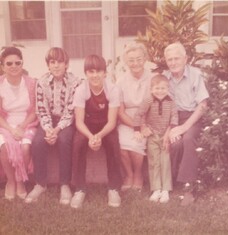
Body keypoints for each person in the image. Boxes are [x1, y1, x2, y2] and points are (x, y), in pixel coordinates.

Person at [25, 47, 79, 205]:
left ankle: (64, 184)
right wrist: (48, 129)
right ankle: (40, 183)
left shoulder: (75, 82)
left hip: (66, 121)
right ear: (48, 65)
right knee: (38, 142)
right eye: (52, 62)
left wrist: (57, 130)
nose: (56, 65)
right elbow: (41, 109)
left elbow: (71, 110)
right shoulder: (41, 82)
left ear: (66, 64)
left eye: (60, 62)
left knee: (64, 140)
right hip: (48, 120)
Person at [70, 54, 122, 209]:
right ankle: (79, 188)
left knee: (113, 143)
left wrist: (98, 136)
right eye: (91, 71)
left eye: (99, 71)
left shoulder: (112, 89)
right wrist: (90, 136)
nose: (95, 75)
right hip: (86, 126)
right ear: (86, 73)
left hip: (106, 126)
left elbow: (112, 122)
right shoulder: (81, 90)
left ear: (105, 73)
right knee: (78, 143)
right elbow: (79, 121)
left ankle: (114, 187)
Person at [163, 42, 209, 206]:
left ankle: (189, 188)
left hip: (192, 117)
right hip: (174, 118)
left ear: (185, 59)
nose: (173, 62)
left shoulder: (195, 75)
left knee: (188, 139)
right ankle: (172, 179)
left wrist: (183, 127)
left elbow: (203, 106)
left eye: (176, 58)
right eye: (170, 60)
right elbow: (164, 107)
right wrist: (169, 130)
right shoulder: (165, 77)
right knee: (174, 144)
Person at [133, 74, 178, 203]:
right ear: (151, 89)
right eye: (157, 88)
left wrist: (170, 133)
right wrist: (138, 129)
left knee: (165, 162)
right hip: (152, 135)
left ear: (168, 89)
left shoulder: (171, 101)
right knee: (154, 162)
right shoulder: (148, 100)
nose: (160, 91)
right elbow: (139, 113)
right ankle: (156, 189)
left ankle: (165, 190)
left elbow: (174, 117)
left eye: (163, 88)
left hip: (165, 136)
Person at [0, 47, 38, 200]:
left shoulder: (31, 83)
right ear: (2, 66)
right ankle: (10, 181)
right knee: (3, 146)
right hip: (5, 124)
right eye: (9, 64)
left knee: (25, 146)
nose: (14, 66)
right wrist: (10, 129)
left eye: (17, 62)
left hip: (27, 123)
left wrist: (21, 127)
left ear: (22, 64)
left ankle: (20, 180)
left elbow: (35, 111)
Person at [117, 42, 153, 191]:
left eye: (139, 59)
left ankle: (138, 174)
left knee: (136, 143)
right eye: (131, 60)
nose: (135, 63)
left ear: (145, 58)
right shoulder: (121, 81)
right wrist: (135, 126)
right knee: (121, 143)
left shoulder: (153, 78)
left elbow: (157, 107)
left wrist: (144, 126)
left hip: (147, 119)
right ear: (126, 62)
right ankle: (129, 174)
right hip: (127, 120)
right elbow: (120, 111)